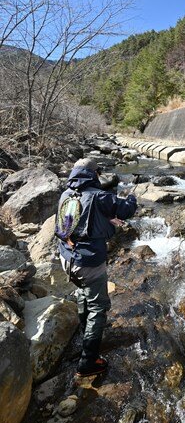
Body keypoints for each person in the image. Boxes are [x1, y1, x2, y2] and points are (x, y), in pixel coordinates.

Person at [56, 157, 137, 377]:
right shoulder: (100, 196)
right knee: (98, 307)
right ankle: (88, 362)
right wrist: (132, 196)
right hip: (88, 263)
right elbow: (127, 210)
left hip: (66, 259)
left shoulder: (65, 195)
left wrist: (105, 220)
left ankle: (85, 333)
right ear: (93, 174)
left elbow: (73, 223)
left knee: (83, 294)